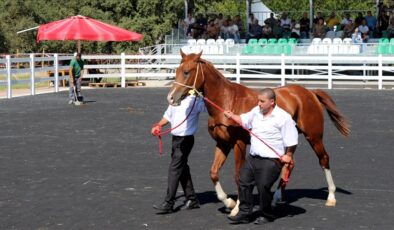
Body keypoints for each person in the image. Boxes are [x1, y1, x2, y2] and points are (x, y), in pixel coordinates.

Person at [224, 88, 298, 225]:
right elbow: (244, 120)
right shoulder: (256, 112)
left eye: (262, 101)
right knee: (243, 181)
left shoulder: (284, 118)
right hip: (253, 158)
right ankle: (244, 213)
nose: (258, 103)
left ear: (272, 102)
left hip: (271, 160)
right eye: (258, 100)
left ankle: (266, 214)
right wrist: (232, 116)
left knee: (263, 186)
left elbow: (292, 140)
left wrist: (288, 155)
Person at [151, 94, 206, 214]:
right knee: (182, 168)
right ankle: (192, 199)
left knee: (174, 169)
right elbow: (168, 116)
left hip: (185, 140)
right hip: (175, 139)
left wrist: (202, 96)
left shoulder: (194, 101)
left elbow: (207, 107)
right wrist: (159, 125)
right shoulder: (175, 99)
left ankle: (168, 203)